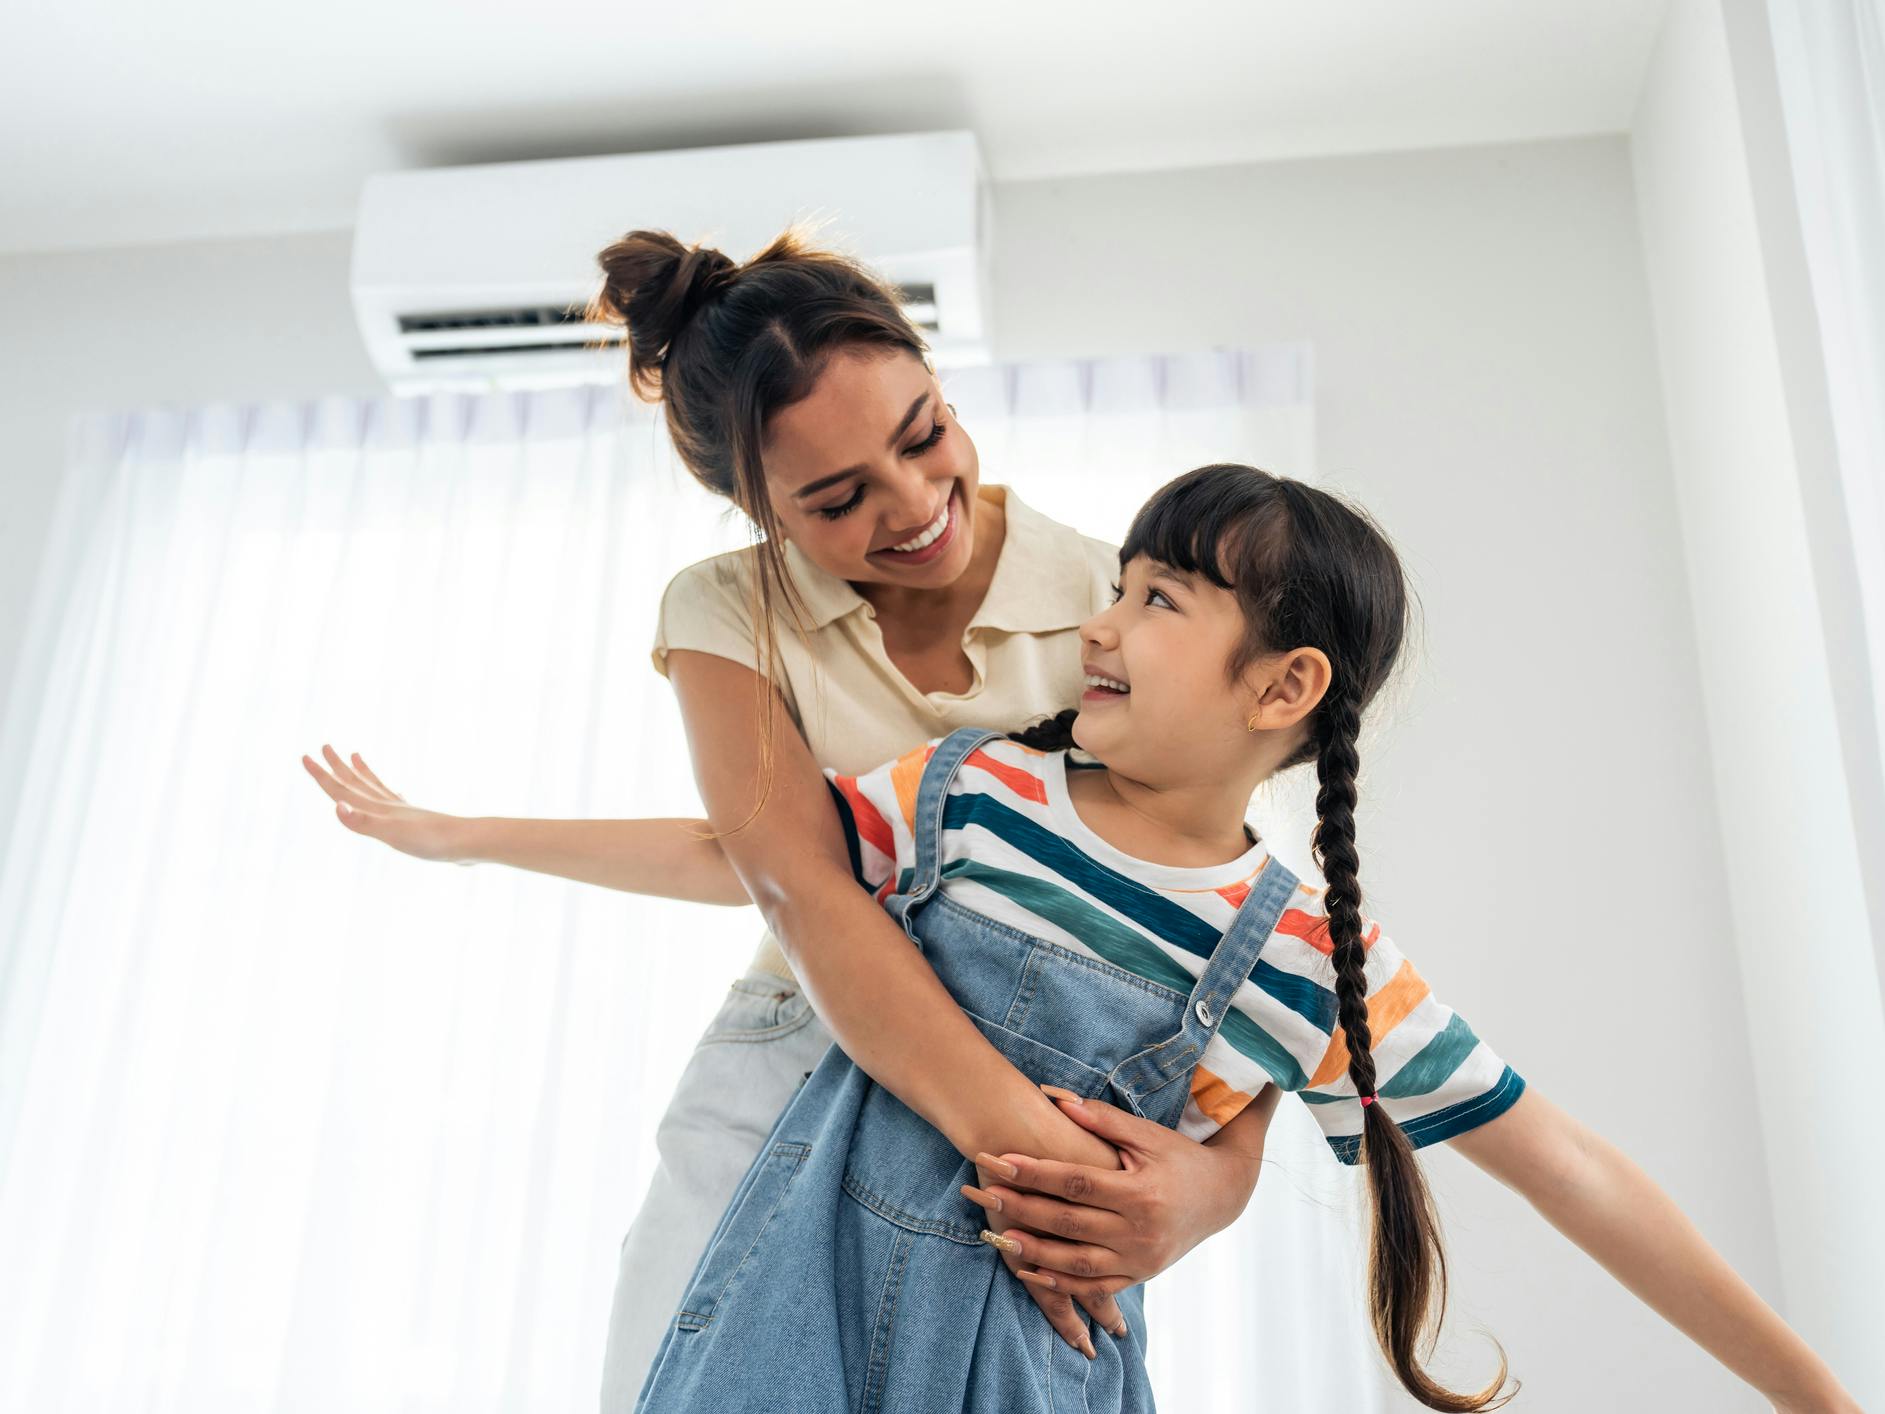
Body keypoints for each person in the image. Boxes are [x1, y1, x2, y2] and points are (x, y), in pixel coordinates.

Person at [617, 463, 1858, 1413]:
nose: (1099, 623)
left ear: (1281, 689)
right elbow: (752, 856)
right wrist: (460, 838)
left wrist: (1820, 1398)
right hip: (799, 1312)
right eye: (1116, 587)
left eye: (1155, 598)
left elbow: (1569, 1169)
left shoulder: (1313, 957)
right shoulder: (969, 792)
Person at [300, 228, 1285, 1405]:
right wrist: (461, 835)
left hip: (1044, 1089)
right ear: (758, 511)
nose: (916, 504)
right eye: (835, 499)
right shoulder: (730, 610)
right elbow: (788, 874)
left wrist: (1212, 1186)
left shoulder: (1104, 598)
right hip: (814, 1062)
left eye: (925, 435)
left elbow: (1219, 896)